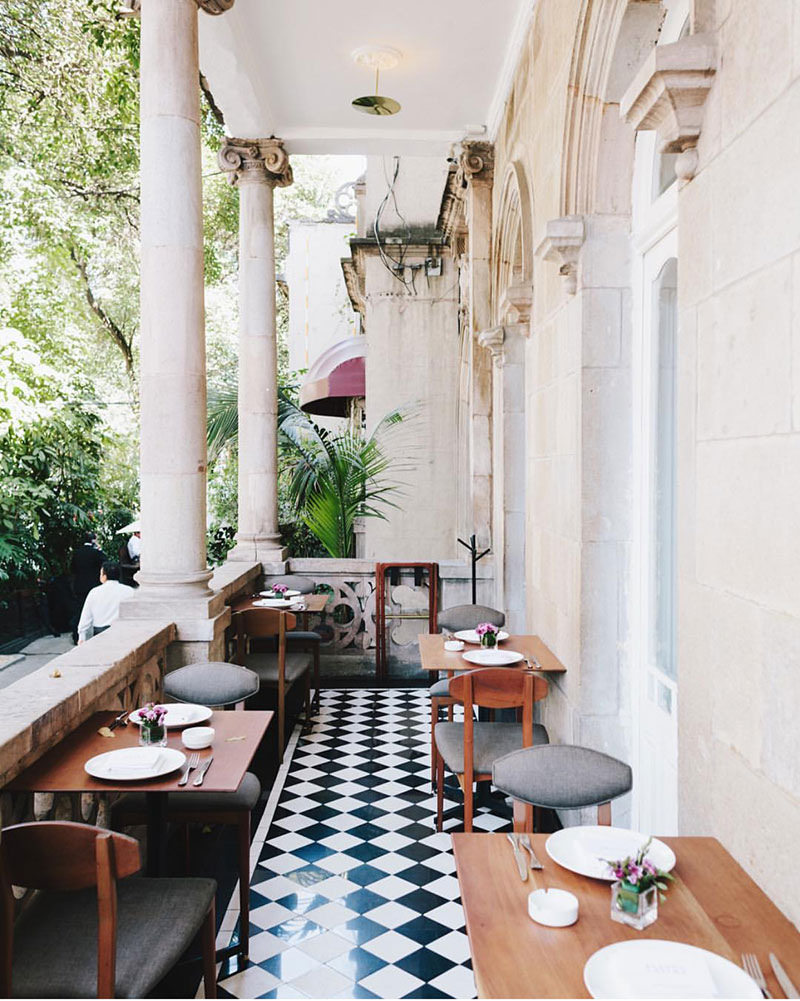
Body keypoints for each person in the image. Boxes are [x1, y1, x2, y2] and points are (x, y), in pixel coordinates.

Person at [76, 561, 131, 643]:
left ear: (104, 576)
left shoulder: (94, 592)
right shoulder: (129, 591)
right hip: (123, 633)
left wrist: (82, 636)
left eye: (101, 574)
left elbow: (86, 616)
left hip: (100, 634)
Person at [70, 532, 107, 643]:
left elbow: (72, 569)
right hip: (93, 585)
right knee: (98, 609)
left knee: (80, 610)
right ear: (93, 540)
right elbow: (106, 563)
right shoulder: (96, 553)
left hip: (80, 585)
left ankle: (76, 635)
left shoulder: (77, 553)